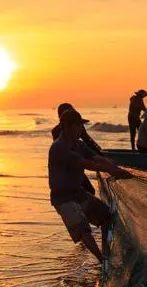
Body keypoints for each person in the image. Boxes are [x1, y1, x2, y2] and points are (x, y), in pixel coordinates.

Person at [49, 109, 133, 263]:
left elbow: (94, 157)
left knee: (107, 216)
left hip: (77, 193)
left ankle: (106, 254)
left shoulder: (79, 144)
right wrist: (111, 170)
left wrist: (113, 165)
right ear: (67, 126)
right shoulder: (59, 147)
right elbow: (85, 164)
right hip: (62, 197)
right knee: (83, 230)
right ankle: (102, 261)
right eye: (78, 126)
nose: (81, 129)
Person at [51, 103, 104, 195]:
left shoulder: (74, 128)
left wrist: (99, 155)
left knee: (87, 191)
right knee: (87, 190)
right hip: (70, 167)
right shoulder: (57, 133)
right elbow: (86, 143)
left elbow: (87, 142)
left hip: (75, 164)